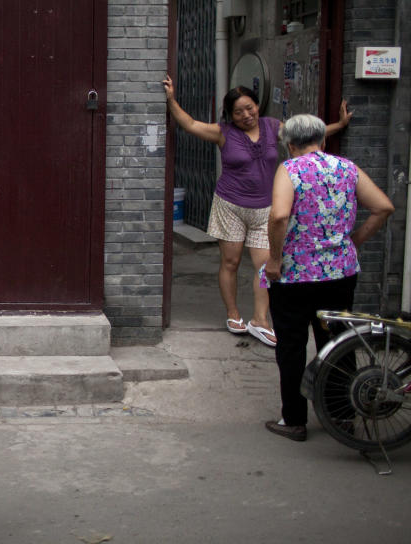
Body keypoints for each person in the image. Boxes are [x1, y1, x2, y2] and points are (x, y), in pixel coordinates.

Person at [163, 76, 351, 347]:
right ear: (230, 114)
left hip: (265, 208)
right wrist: (171, 100)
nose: (246, 115)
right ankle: (232, 313)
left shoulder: (273, 127)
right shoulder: (223, 132)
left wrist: (339, 125)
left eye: (249, 107)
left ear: (257, 105)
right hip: (229, 206)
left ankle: (260, 320)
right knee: (230, 262)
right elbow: (191, 124)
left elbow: (305, 136)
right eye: (238, 111)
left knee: (265, 266)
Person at [262, 114, 393, 441]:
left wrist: (274, 260)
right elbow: (383, 207)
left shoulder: (289, 170)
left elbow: (279, 216)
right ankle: (342, 416)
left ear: (290, 145)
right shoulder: (348, 168)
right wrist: (354, 241)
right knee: (338, 343)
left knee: (291, 346)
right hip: (340, 273)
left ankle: (293, 420)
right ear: (322, 140)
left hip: (295, 275)